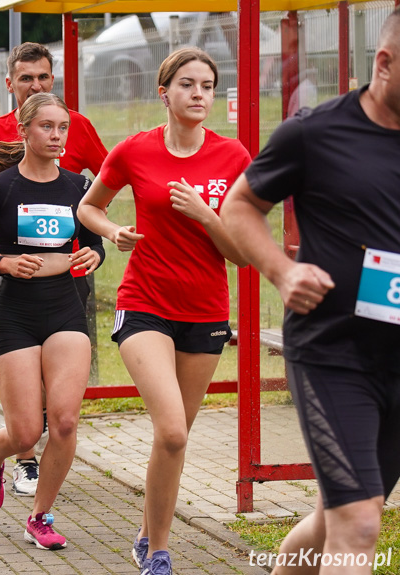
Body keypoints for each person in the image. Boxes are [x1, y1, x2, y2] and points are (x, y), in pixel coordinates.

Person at [220, 10, 400, 575]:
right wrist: (281, 270)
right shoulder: (315, 132)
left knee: (338, 516)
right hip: (334, 356)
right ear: (385, 63)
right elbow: (240, 205)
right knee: (361, 524)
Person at [77, 47, 250, 575]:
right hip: (145, 303)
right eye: (188, 85)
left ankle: (147, 531)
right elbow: (89, 204)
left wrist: (206, 216)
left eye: (207, 86)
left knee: (174, 438)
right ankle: (158, 551)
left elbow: (243, 253)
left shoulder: (233, 156)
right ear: (165, 92)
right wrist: (112, 232)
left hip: (206, 311)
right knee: (172, 430)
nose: (199, 95)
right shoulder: (134, 150)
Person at [0, 41, 108, 498]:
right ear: (11, 83)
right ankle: (20, 455)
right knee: (23, 413)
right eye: (26, 77)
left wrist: (98, 239)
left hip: (67, 282)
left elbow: (105, 183)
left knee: (63, 408)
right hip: (10, 274)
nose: (56, 135)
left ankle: (42, 506)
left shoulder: (77, 154)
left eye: (43, 77)